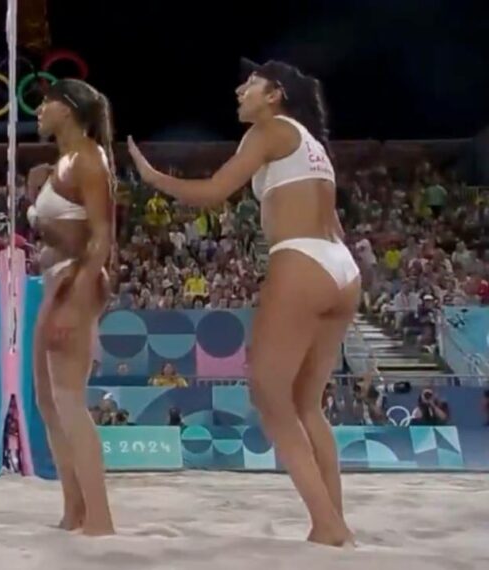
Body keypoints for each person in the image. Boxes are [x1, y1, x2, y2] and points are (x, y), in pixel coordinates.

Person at [127, 58, 359, 547]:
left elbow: (213, 192)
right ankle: (332, 521)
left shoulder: (270, 129)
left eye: (249, 85)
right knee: (307, 405)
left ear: (274, 94)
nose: (239, 91)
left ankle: (330, 526)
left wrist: (152, 176)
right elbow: (334, 223)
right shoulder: (313, 144)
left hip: (302, 260)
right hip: (342, 266)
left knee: (269, 397)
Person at [27, 78, 116, 536]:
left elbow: (102, 237)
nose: (38, 109)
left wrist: (75, 303)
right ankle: (74, 508)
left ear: (69, 107)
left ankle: (98, 517)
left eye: (46, 101)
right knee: (48, 401)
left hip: (73, 282)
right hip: (57, 279)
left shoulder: (87, 157)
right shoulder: (64, 162)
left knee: (67, 399)